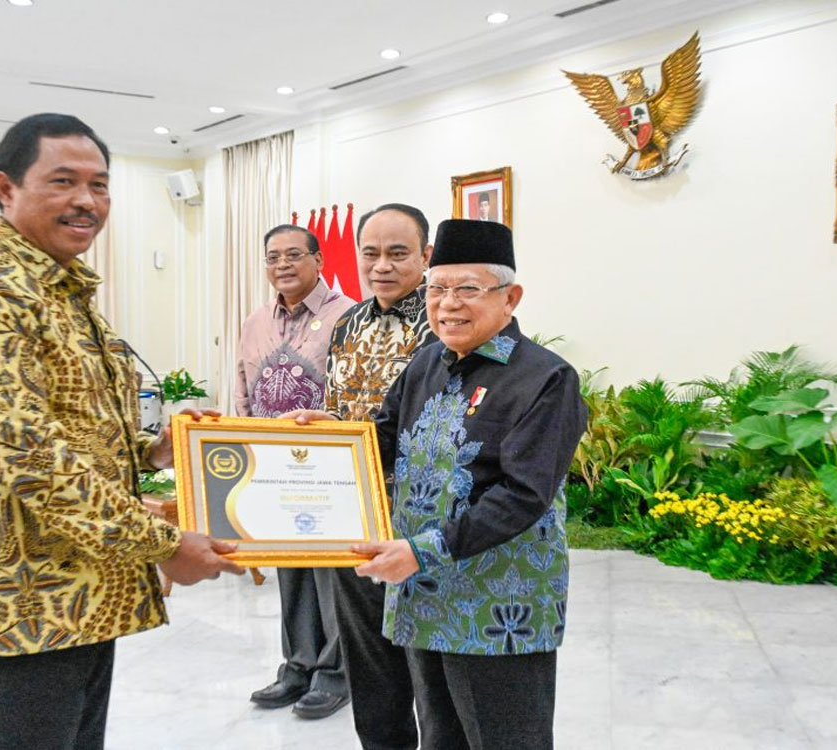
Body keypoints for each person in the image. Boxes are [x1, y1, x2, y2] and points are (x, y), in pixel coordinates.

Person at [0, 113, 243, 750]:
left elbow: (70, 430)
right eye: (63, 181)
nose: (87, 200)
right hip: (19, 601)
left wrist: (156, 450)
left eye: (100, 185)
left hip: (76, 594)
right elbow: (37, 463)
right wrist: (164, 543)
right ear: (6, 188)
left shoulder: (58, 290)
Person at [290, 219, 587, 749]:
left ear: (510, 297)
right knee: (441, 736)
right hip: (424, 594)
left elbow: (525, 494)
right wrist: (333, 435)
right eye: (437, 289)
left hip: (498, 606)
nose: (448, 304)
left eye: (468, 289)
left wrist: (421, 552)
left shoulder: (546, 378)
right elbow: (382, 437)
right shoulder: (427, 362)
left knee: (505, 739)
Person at [321, 203, 435, 749]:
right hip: (354, 514)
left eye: (397, 253)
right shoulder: (347, 323)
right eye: (370, 253)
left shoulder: (445, 322)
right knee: (367, 654)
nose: (381, 265)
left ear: (425, 256)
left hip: (420, 521)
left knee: (427, 659)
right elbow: (336, 408)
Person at [236, 224, 356, 718]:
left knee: (331, 573)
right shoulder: (255, 322)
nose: (282, 265)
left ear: (318, 259)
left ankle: (335, 674)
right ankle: (298, 666)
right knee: (291, 567)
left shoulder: (349, 315)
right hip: (274, 466)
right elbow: (243, 390)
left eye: (292, 255)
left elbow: (354, 392)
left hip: (329, 467)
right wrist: (247, 451)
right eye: (272, 257)